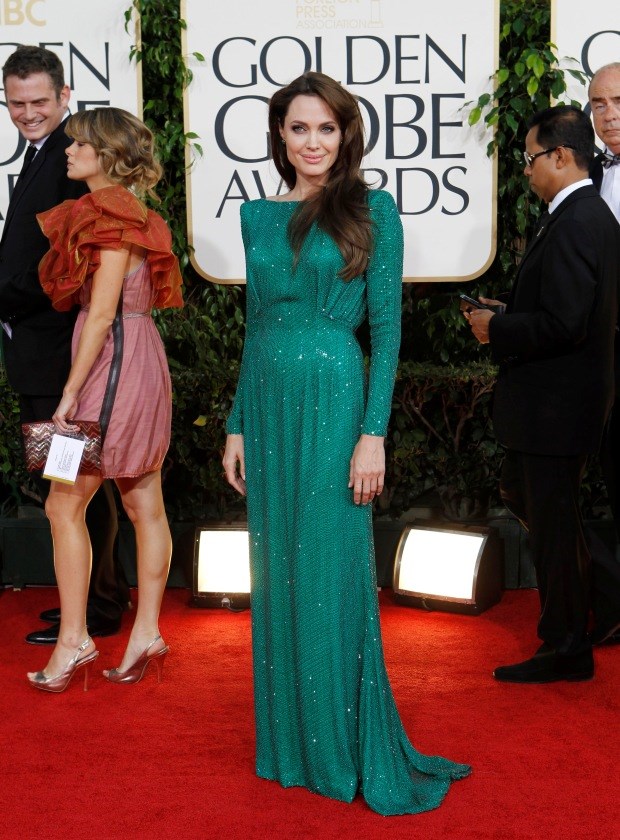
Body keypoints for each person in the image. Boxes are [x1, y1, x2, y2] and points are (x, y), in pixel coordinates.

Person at [223, 72, 470, 815]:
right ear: (279, 134)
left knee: (328, 567)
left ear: (346, 135)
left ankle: (339, 742)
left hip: (335, 398)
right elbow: (255, 325)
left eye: (326, 129)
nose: (313, 143)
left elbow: (387, 331)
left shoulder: (373, 209)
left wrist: (373, 434)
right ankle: (292, 745)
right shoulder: (256, 216)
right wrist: (236, 421)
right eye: (299, 128)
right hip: (269, 402)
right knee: (277, 568)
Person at [26, 107, 183, 692]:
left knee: (62, 506)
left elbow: (101, 314)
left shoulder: (112, 217)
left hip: (110, 373)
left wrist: (69, 393)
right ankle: (144, 634)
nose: (67, 151)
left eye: (78, 144)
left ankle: (75, 641)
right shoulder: (121, 212)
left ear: (108, 154)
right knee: (144, 506)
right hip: (132, 363)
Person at [466, 105, 620, 683]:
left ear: (560, 156)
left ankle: (567, 647)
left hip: (557, 406)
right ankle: (603, 602)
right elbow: (565, 308)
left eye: (530, 158)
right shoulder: (584, 214)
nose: (526, 170)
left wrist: (497, 329)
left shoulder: (578, 219)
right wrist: (510, 312)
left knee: (553, 529)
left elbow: (566, 324)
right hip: (560, 404)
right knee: (533, 503)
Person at [0, 45, 129, 644]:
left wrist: (6, 297)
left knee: (74, 484)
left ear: (64, 97)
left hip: (57, 352)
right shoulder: (44, 154)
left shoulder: (68, 159)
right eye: (16, 102)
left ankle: (97, 607)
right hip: (39, 349)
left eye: (39, 102)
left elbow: (64, 266)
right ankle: (96, 596)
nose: (27, 113)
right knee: (73, 482)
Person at [586, 63, 620, 645]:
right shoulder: (588, 174)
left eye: (619, 100)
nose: (609, 115)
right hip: (604, 355)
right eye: (598, 104)